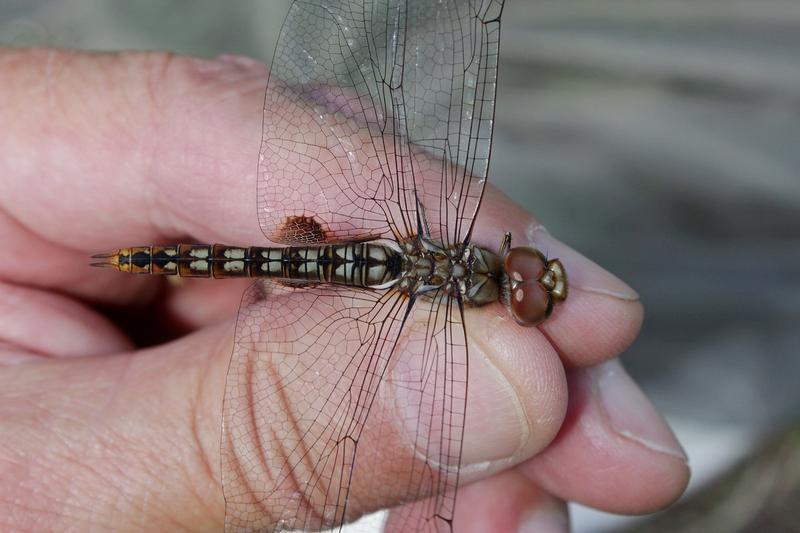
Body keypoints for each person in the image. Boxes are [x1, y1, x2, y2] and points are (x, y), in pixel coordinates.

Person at [0, 49, 689, 532]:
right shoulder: (474, 294)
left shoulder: (451, 247)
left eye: (534, 289)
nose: (539, 278)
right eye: (535, 279)